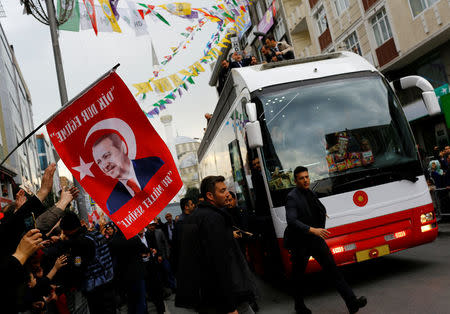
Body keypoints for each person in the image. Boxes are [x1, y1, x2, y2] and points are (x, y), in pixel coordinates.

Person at [284, 166, 367, 314]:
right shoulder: (292, 197)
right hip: (300, 244)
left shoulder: (311, 193)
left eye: (307, 177)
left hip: (316, 242)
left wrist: (322, 216)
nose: (305, 180)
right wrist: (313, 229)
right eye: (302, 178)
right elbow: (291, 221)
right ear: (295, 181)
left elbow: (317, 208)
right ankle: (299, 307)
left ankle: (352, 302)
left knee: (334, 272)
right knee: (298, 278)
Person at [176, 176, 256, 314]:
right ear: (210, 195)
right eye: (222, 191)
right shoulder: (213, 218)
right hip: (224, 297)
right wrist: (230, 306)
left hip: (206, 295)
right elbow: (219, 263)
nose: (227, 194)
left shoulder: (194, 217)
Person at [92, 132, 165, 214]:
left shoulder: (154, 165)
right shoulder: (112, 203)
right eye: (99, 162)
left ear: (122, 147)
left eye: (106, 156)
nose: (104, 165)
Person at [60, 212, 116, 314]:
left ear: (68, 230)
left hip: (97, 290)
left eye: (64, 231)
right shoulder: (96, 234)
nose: (63, 234)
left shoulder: (80, 243)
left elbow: (78, 264)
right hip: (108, 281)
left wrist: (69, 259)